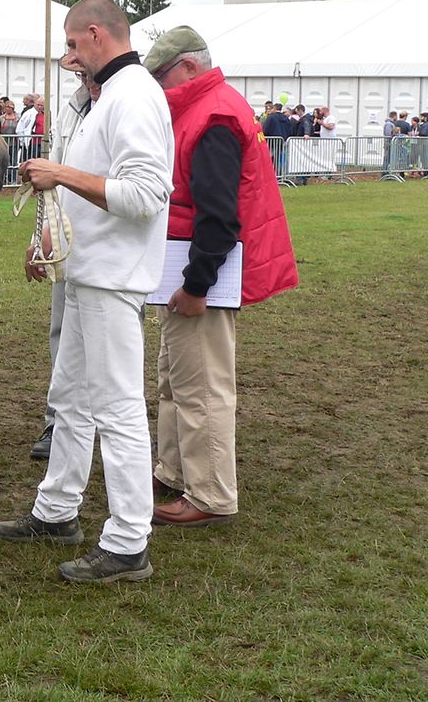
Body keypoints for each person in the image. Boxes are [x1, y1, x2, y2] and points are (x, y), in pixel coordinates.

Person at [0, 0, 173, 585]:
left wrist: (60, 172)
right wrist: (47, 241)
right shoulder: (103, 98)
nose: (69, 56)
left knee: (117, 406)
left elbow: (146, 195)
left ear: (96, 35)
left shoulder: (136, 95)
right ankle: (57, 510)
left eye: (73, 45)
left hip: (113, 276)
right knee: (68, 396)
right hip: (84, 271)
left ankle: (127, 541)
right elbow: (87, 193)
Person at [142, 26, 299, 529]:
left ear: (188, 67)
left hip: (200, 276)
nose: (159, 87)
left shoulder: (211, 117)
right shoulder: (213, 109)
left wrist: (195, 285)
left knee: (202, 386)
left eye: (162, 75)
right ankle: (172, 470)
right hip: (192, 271)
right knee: (177, 379)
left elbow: (219, 217)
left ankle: (210, 494)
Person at [26, 53, 103, 461]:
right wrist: (41, 237)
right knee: (62, 333)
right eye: (79, 73)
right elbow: (53, 182)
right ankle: (58, 421)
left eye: (87, 71)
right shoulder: (72, 110)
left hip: (109, 247)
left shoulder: (125, 105)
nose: (84, 79)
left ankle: (105, 426)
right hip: (68, 240)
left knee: (108, 343)